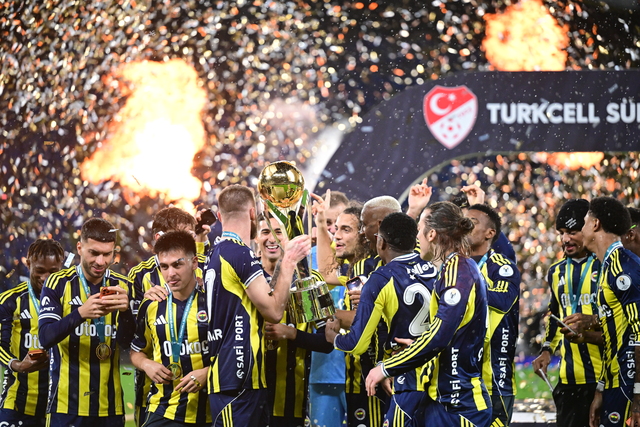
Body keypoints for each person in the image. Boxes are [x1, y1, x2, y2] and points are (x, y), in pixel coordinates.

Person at [365, 201, 491, 427]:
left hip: (459, 405)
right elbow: (449, 335)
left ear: (431, 234)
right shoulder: (453, 270)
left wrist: (386, 367)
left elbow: (438, 337)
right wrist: (415, 347)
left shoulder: (458, 272)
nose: (416, 237)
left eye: (419, 229)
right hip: (442, 400)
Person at [204, 185, 311, 427]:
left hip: (235, 376)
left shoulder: (215, 253)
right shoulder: (239, 254)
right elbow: (274, 311)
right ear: (253, 213)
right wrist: (289, 261)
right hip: (237, 377)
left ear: (219, 216)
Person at [325, 212, 437, 426]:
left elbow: (357, 344)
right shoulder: (434, 270)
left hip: (403, 378)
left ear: (381, 242)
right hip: (436, 377)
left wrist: (334, 338)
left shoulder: (380, 279)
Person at [38, 218, 135, 427]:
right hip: (66, 406)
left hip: (111, 407)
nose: (100, 261)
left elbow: (127, 342)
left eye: (107, 254)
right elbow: (45, 337)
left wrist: (126, 313)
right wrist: (80, 313)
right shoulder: (58, 283)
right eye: (94, 253)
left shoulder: (123, 286)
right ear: (80, 248)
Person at [128, 207, 209, 425]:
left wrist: (209, 373)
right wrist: (147, 365)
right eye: (164, 267)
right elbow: (135, 344)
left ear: (193, 262)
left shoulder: (212, 294)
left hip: (210, 407)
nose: (171, 273)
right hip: (160, 403)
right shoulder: (147, 292)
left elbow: (233, 346)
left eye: (177, 265)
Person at [568, 197, 639, 427]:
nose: (581, 229)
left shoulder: (624, 268)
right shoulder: (608, 266)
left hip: (628, 385)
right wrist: (601, 389)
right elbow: (612, 336)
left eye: (584, 222)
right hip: (615, 383)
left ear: (595, 224)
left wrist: (638, 398)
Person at [257, 213, 333, 427]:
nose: (271, 238)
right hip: (250, 395)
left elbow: (328, 341)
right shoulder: (248, 276)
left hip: (291, 399)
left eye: (278, 232)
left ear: (288, 238)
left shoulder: (309, 279)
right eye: (265, 232)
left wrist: (291, 333)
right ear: (256, 237)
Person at [531, 199, 602, 427]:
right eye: (561, 233)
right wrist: (546, 350)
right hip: (568, 380)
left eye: (572, 232)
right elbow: (554, 314)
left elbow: (621, 320)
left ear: (588, 229)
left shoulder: (606, 266)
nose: (565, 239)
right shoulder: (556, 272)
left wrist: (591, 323)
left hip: (603, 378)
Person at [466, 204, 520, 426]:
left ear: (490, 233)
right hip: (460, 381)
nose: (465, 225)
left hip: (494, 381)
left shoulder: (502, 267)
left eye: (472, 222)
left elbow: (502, 301)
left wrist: (464, 286)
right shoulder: (453, 266)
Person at [0, 239, 64, 427]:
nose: (46, 277)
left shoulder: (71, 302)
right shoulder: (10, 301)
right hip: (18, 402)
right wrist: (18, 365)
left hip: (60, 405)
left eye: (53, 272)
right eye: (40, 270)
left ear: (61, 267)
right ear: (28, 264)